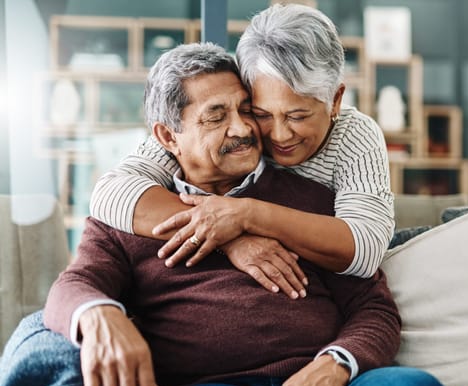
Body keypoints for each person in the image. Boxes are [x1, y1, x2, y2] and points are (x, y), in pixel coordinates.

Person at [0, 43, 451, 386]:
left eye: (244, 109)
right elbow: (71, 286)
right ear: (166, 137)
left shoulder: (311, 199)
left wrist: (337, 362)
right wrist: (99, 314)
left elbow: (373, 307)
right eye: (216, 117)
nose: (244, 128)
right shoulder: (130, 213)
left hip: (328, 381)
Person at [90, 3, 394, 299]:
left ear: (336, 100)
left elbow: (366, 249)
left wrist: (247, 215)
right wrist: (233, 237)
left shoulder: (354, 135)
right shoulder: (231, 129)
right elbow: (110, 194)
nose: (279, 134)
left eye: (297, 116)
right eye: (260, 113)